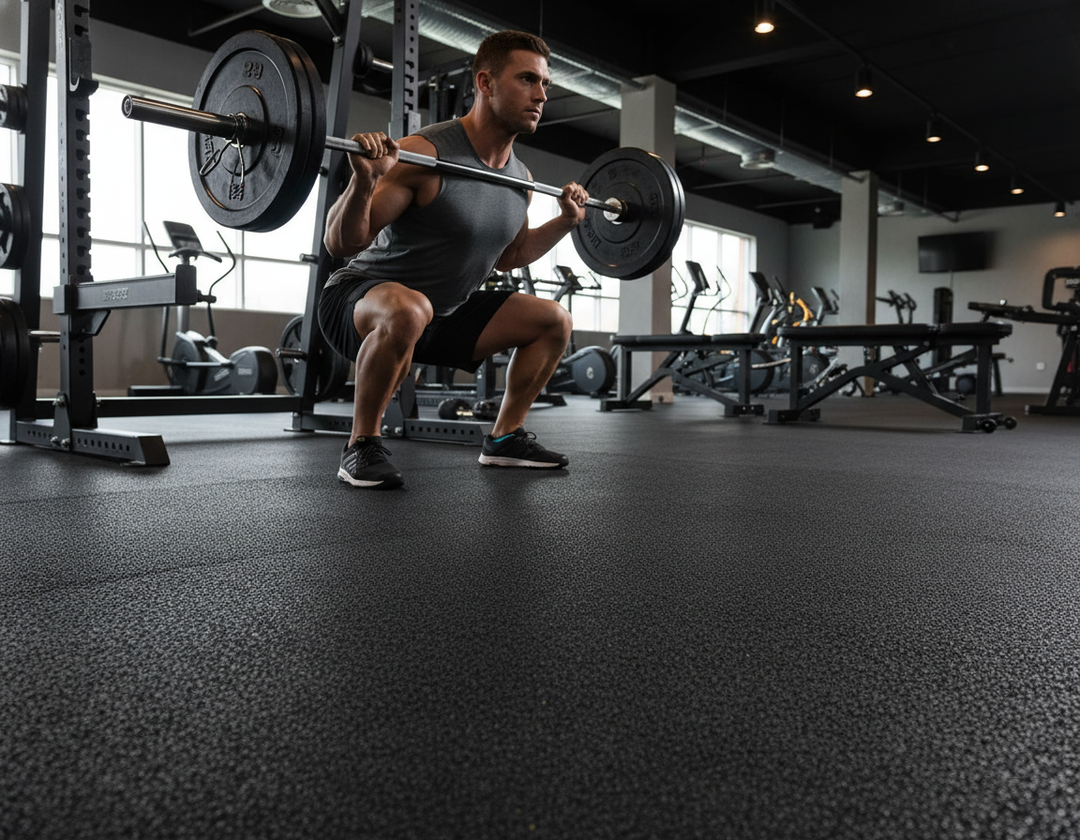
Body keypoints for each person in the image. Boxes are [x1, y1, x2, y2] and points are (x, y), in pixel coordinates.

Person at [319, 30, 589, 490]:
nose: (541, 95)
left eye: (545, 84)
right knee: (409, 308)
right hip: (360, 301)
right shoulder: (424, 154)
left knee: (553, 319)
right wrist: (363, 180)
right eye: (527, 80)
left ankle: (504, 440)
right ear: (485, 83)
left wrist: (566, 220)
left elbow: (511, 257)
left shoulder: (521, 179)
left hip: (441, 316)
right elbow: (340, 242)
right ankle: (360, 445)